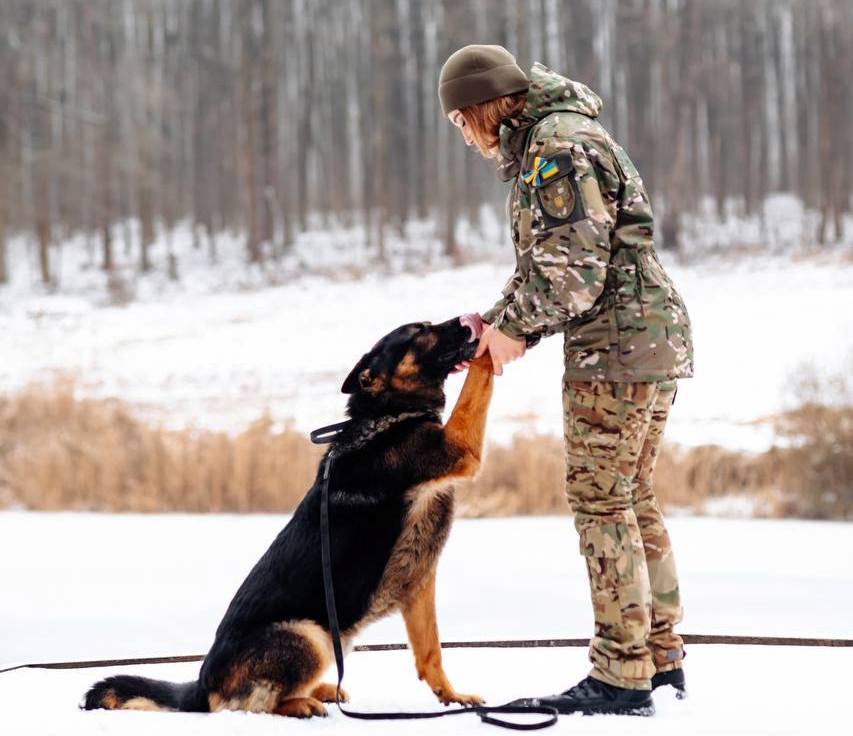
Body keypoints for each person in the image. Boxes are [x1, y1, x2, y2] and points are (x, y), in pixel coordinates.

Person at [438, 44, 694, 716]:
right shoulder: (558, 138)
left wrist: (516, 330)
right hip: (642, 341)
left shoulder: (557, 150)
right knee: (627, 493)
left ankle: (619, 673)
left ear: (479, 108)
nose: (462, 136)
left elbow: (571, 273)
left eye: (458, 122)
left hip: (616, 349)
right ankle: (657, 656)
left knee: (599, 499)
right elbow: (554, 260)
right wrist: (489, 325)